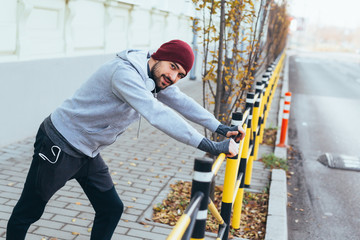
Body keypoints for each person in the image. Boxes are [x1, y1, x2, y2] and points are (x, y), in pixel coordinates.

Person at [6, 39, 245, 240]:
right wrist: (210, 145)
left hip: (87, 151)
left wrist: (220, 127)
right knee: (30, 210)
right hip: (59, 142)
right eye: (172, 67)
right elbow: (157, 114)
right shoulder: (124, 74)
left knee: (111, 208)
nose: (173, 77)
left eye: (180, 74)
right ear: (159, 57)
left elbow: (182, 102)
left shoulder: (155, 78)